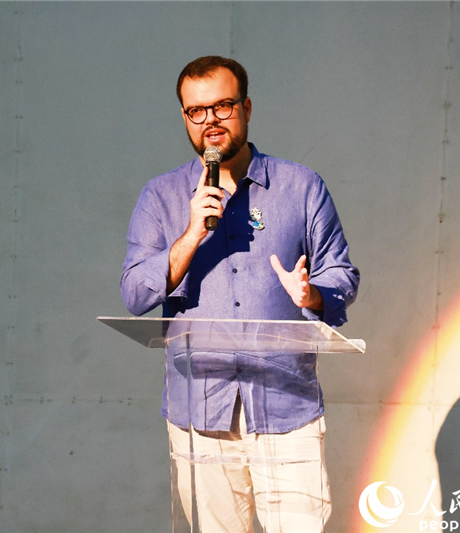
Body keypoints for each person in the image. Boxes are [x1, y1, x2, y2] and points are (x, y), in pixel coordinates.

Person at [120, 56, 359, 532]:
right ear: (185, 117)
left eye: (222, 106)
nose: (210, 120)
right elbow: (134, 294)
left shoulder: (301, 187)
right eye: (196, 111)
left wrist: (312, 294)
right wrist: (191, 234)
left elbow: (341, 274)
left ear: (246, 108)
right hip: (201, 414)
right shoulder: (161, 196)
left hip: (286, 407)